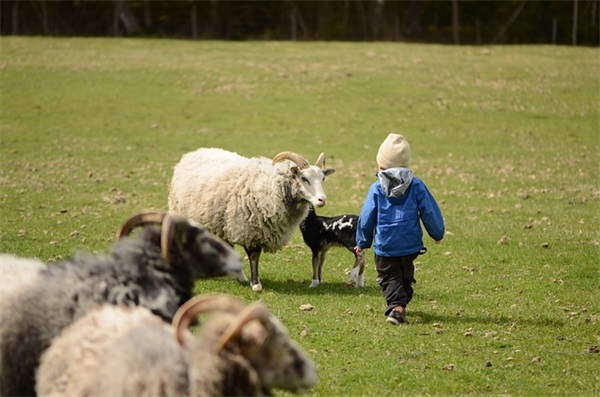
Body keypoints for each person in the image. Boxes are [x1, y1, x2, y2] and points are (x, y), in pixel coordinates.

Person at [354, 133, 444, 325]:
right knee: (404, 274)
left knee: (388, 276)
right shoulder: (416, 185)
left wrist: (362, 242)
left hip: (385, 245)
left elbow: (366, 217)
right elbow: (429, 210)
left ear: (381, 166)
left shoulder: (377, 188)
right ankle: (401, 304)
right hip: (410, 244)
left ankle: (397, 308)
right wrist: (437, 233)